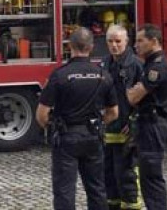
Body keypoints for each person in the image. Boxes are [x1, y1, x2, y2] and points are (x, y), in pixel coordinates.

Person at [37, 27, 119, 210]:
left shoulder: (59, 75)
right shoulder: (103, 75)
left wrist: (51, 125)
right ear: (91, 47)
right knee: (97, 189)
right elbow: (114, 112)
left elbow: (42, 115)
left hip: (66, 138)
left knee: (64, 191)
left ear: (70, 46)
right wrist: (98, 123)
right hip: (93, 137)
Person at [126, 24, 167, 210]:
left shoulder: (157, 67)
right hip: (148, 123)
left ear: (154, 41)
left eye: (140, 41)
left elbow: (133, 97)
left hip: (153, 125)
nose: (135, 45)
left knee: (152, 176)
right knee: (146, 177)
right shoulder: (151, 64)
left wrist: (131, 91)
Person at [100, 25, 143, 210]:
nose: (114, 45)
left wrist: (134, 120)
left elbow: (147, 98)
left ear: (126, 42)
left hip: (126, 131)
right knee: (108, 176)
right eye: (110, 41)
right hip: (108, 131)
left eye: (118, 41)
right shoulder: (105, 63)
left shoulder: (135, 66)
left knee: (126, 175)